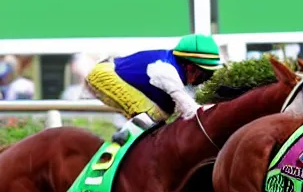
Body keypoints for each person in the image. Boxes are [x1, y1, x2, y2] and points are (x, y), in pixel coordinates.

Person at [85, 34, 223, 145]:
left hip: (116, 72)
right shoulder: (166, 70)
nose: (206, 79)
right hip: (103, 75)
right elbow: (190, 109)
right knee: (153, 114)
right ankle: (120, 142)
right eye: (205, 74)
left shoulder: (183, 71)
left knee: (164, 113)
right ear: (190, 67)